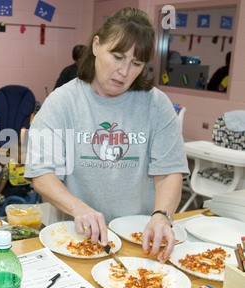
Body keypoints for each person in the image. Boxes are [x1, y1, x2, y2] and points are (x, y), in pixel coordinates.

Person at [25, 7, 189, 263]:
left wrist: (162, 216)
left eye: (136, 63)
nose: (124, 72)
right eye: (117, 56)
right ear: (96, 45)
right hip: (75, 238)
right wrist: (78, 208)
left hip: (140, 239)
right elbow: (42, 174)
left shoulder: (157, 104)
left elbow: (169, 172)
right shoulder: (62, 102)